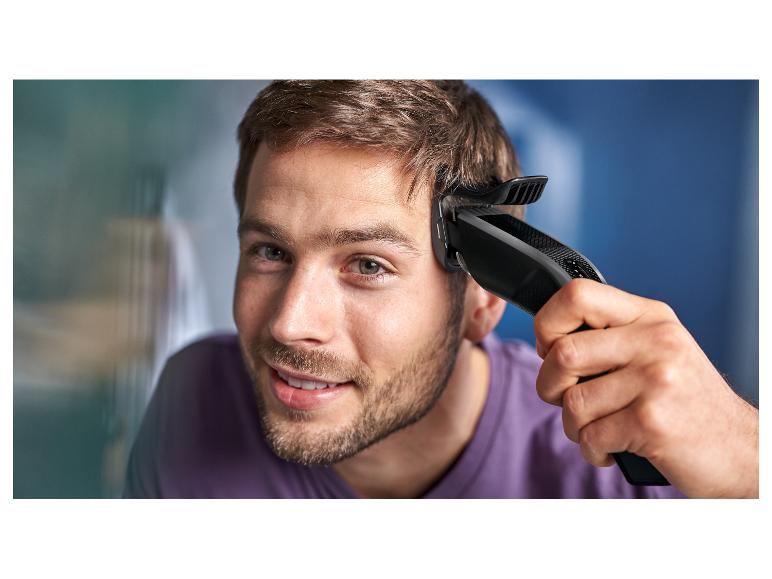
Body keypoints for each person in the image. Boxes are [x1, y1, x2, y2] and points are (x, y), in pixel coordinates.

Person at [123, 80, 758, 498]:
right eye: (270, 251)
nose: (290, 324)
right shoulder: (192, 402)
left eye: (367, 265)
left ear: (483, 296)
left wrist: (748, 463)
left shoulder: (619, 467)